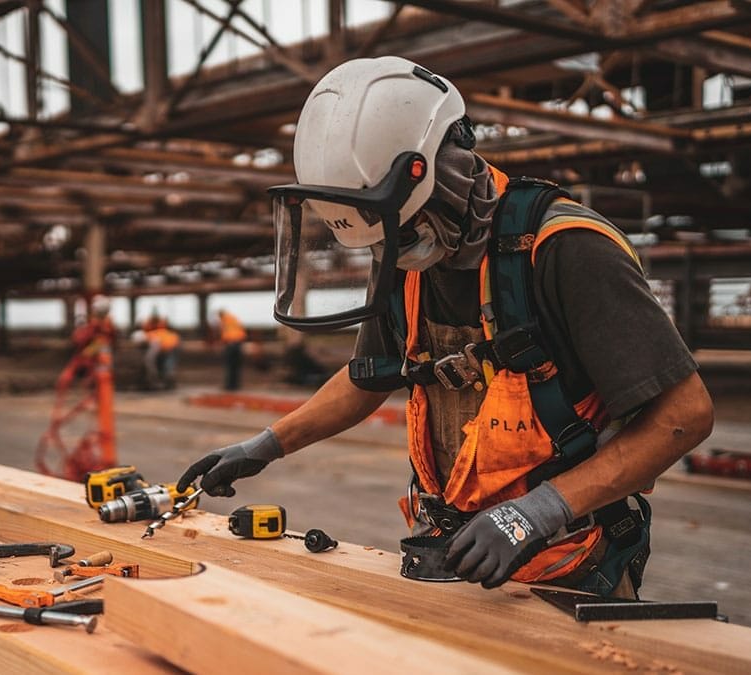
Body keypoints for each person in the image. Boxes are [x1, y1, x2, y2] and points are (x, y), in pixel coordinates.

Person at [177, 57, 713, 599]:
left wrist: (539, 511)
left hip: (568, 562)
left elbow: (685, 415)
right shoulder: (401, 255)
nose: (396, 251)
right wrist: (267, 445)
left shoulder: (565, 248)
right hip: (446, 554)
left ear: (443, 173)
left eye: (405, 231)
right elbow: (370, 376)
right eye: (385, 240)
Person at [215, 308, 247, 390]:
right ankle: (235, 385)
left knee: (230, 365)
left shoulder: (225, 320)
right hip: (238, 342)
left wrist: (222, 342)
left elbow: (225, 333)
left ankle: (230, 385)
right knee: (235, 365)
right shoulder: (232, 318)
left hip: (231, 343)